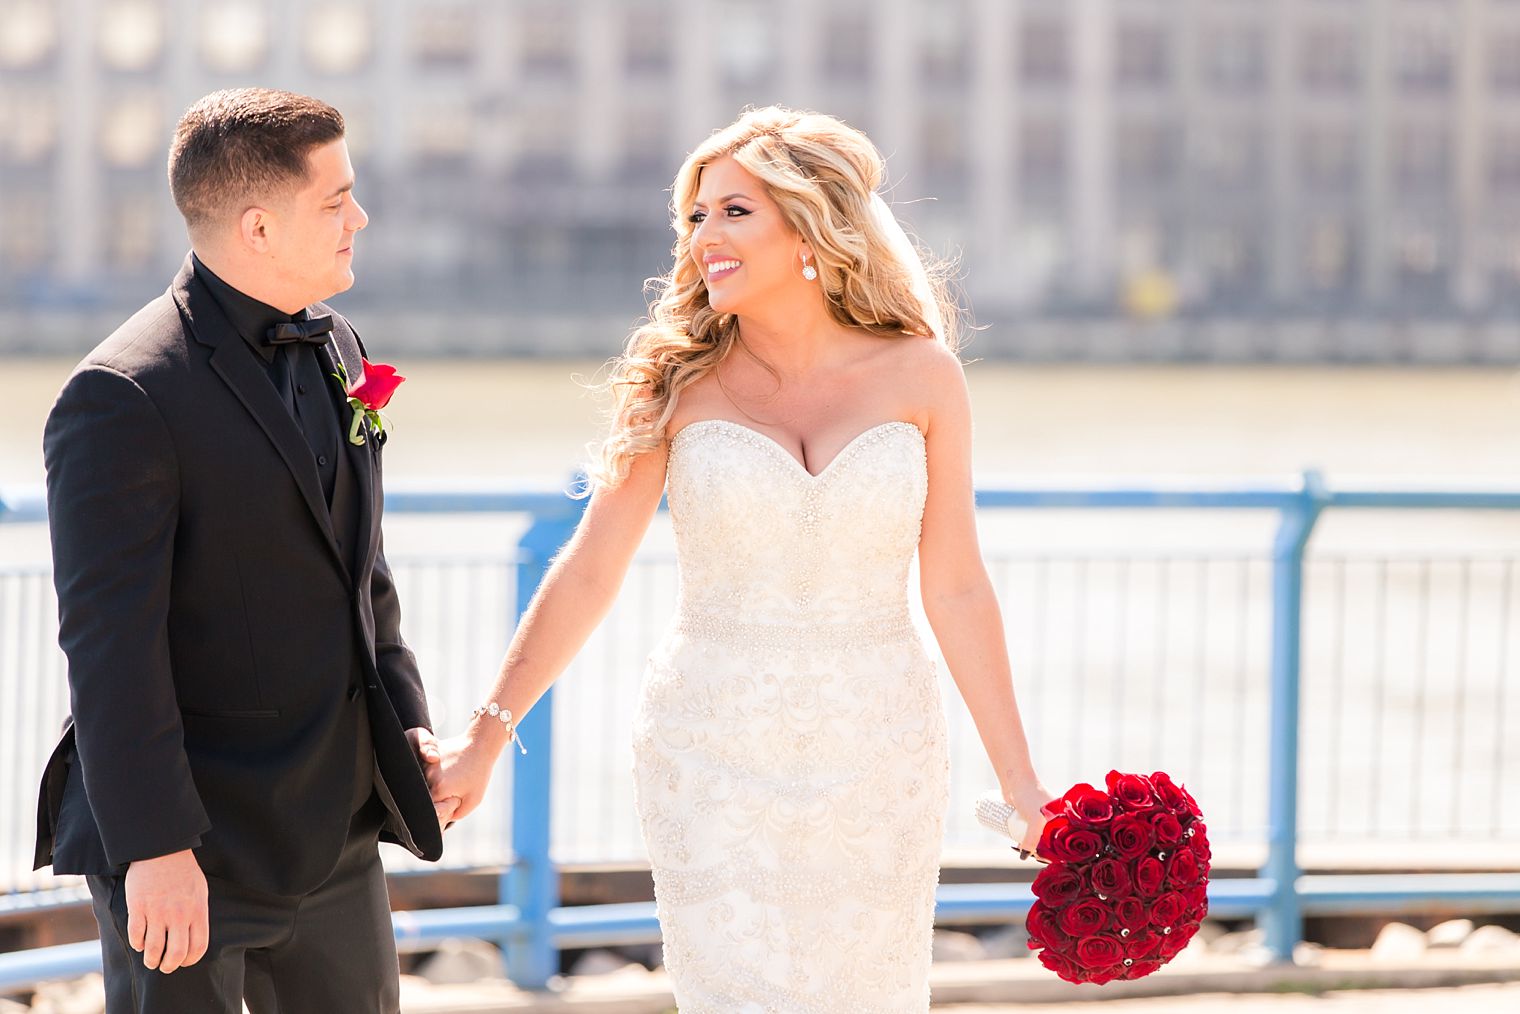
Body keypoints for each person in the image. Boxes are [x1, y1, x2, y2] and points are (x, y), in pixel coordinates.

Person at [430, 106, 1055, 1010]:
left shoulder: (924, 376)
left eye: (732, 212)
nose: (701, 239)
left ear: (811, 226)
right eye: (693, 217)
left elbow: (955, 584)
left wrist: (1022, 783)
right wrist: (484, 739)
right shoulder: (672, 382)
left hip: (880, 748)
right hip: (708, 749)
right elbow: (592, 569)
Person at [33, 88, 455, 1014]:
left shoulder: (338, 346)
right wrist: (153, 848)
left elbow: (359, 568)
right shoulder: (121, 395)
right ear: (259, 227)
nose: (361, 217)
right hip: (189, 842)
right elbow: (110, 647)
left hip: (334, 828)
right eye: (336, 199)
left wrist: (407, 721)